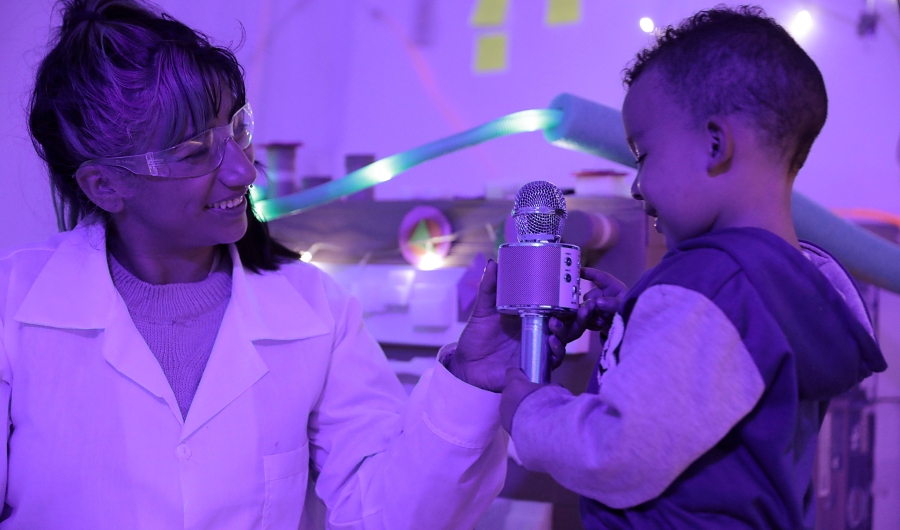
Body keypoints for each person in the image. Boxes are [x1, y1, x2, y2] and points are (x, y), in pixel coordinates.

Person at [1, 0, 575, 527]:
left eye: (237, 131)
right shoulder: (14, 305)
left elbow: (387, 513)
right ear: (105, 185)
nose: (243, 172)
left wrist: (471, 379)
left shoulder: (312, 307)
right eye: (194, 152)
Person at [496, 6, 888, 529]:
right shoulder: (782, 286)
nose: (637, 185)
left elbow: (616, 449)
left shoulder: (709, 287)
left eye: (643, 154)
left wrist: (532, 413)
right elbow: (708, 406)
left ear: (715, 144)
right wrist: (632, 322)